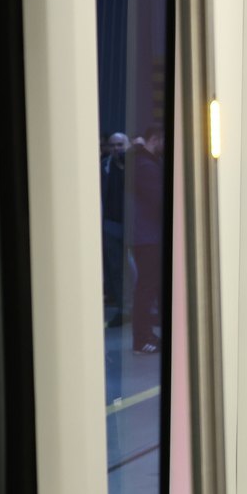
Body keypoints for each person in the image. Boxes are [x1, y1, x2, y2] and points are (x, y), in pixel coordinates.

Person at [127, 126, 166, 354]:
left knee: (148, 287)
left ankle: (146, 335)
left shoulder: (144, 163)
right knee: (146, 288)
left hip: (146, 235)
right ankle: (142, 338)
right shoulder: (146, 166)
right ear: (155, 139)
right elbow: (159, 200)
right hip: (148, 236)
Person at [101, 132, 128, 325]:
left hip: (134, 224)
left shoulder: (135, 166)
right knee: (115, 268)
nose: (116, 149)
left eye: (120, 145)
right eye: (113, 145)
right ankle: (123, 308)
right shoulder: (104, 166)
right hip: (111, 223)